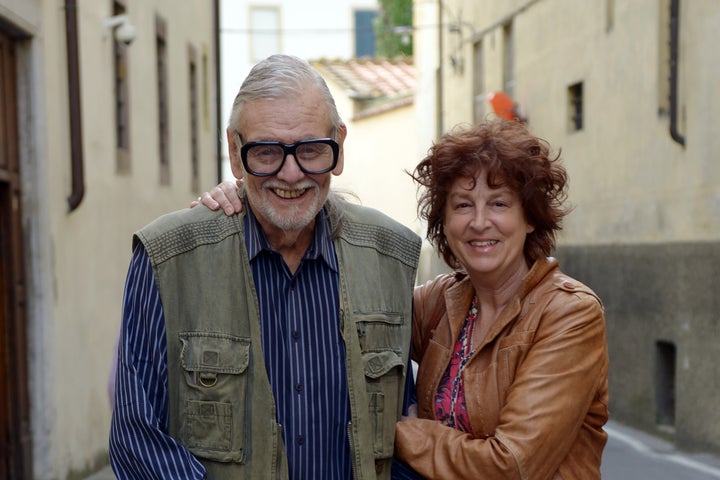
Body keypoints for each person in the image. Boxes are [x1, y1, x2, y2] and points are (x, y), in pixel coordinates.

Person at [201, 118, 610, 479]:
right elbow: (338, 316)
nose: (479, 221)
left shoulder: (569, 313)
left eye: (499, 204)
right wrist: (252, 198)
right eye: (462, 205)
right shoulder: (441, 301)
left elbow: (511, 466)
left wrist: (394, 430)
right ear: (444, 223)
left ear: (530, 216)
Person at [109, 54, 421, 479]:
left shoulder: (392, 258)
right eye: (268, 151)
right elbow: (135, 438)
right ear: (236, 154)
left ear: (339, 146)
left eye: (311, 150)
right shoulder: (169, 258)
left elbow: (407, 435)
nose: (291, 174)